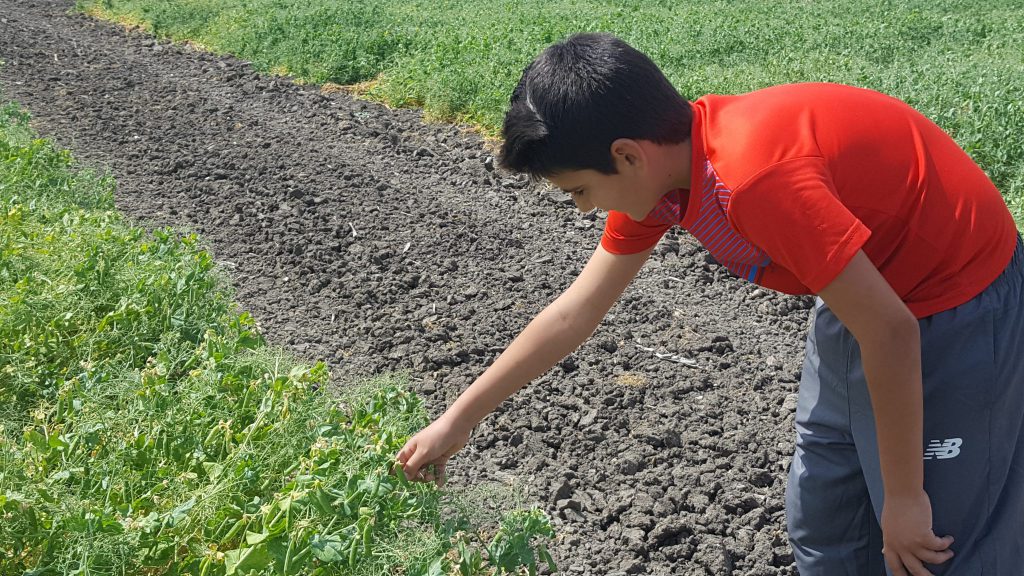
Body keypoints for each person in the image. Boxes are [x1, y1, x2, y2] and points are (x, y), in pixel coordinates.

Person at [395, 32, 1023, 575]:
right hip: (863, 295)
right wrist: (458, 422)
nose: (584, 207)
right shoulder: (664, 184)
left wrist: (907, 496)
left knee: (935, 542)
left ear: (626, 154)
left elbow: (891, 332)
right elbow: (574, 312)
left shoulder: (755, 179)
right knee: (825, 522)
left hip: (955, 296)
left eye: (580, 189)